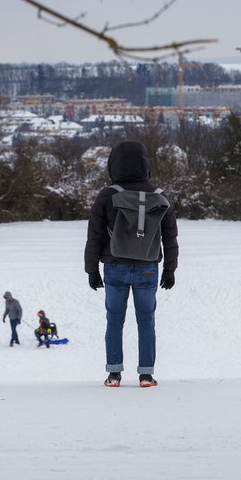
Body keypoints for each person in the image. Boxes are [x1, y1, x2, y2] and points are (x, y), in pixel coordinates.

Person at [85, 140, 179, 388]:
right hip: (148, 268)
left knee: (114, 320)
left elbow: (94, 235)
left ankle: (114, 374)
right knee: (146, 321)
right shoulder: (159, 196)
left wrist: (91, 269)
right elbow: (170, 237)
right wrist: (170, 269)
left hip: (114, 267)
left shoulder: (107, 196)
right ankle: (146, 375)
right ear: (146, 164)